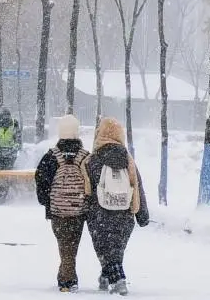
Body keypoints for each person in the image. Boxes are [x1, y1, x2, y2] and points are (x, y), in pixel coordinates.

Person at [81, 117, 149, 296]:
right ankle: (105, 277)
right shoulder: (128, 160)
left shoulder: (92, 160)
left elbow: (87, 189)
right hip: (124, 214)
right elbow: (138, 187)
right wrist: (142, 215)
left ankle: (119, 280)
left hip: (100, 214)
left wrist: (84, 212)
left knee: (104, 248)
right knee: (116, 248)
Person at [35, 114, 90, 293]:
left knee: (64, 245)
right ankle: (68, 278)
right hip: (78, 209)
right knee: (72, 245)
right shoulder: (84, 156)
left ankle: (66, 279)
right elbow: (91, 181)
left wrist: (47, 203)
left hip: (57, 211)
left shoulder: (51, 156)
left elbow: (41, 180)